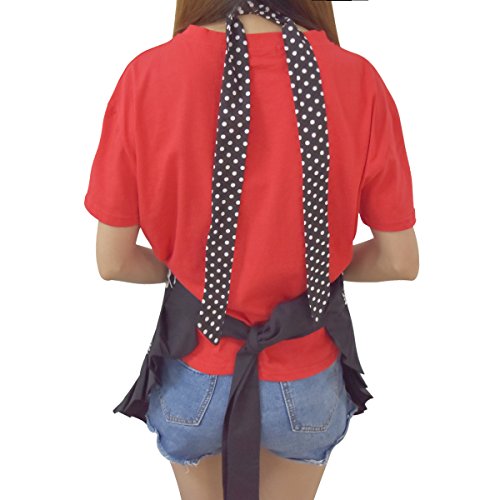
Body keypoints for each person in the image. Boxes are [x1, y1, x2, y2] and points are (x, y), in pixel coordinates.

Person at [84, 1, 419, 499]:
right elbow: (399, 260)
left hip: (195, 374)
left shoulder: (148, 75)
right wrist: (317, 269)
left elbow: (113, 261)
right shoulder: (357, 78)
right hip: (306, 381)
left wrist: (185, 264)